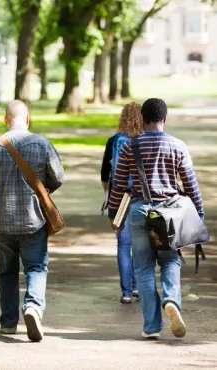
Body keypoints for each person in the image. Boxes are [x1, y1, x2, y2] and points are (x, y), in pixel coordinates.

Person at [0, 100, 64, 342]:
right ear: (27, 119)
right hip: (33, 219)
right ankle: (32, 307)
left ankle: (8, 323)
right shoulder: (42, 145)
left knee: (6, 272)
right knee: (36, 267)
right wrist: (43, 188)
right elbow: (58, 177)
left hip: (2, 222)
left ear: (5, 120)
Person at [108, 98, 205, 339]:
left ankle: (152, 326)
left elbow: (118, 185)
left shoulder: (130, 146)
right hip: (169, 215)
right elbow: (191, 186)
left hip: (140, 211)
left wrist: (114, 214)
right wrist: (199, 214)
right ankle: (171, 300)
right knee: (170, 260)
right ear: (165, 118)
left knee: (143, 268)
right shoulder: (177, 145)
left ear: (142, 119)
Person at [101, 102, 143, 304]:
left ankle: (126, 292)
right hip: (141, 198)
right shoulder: (146, 141)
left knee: (123, 245)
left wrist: (111, 198)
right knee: (141, 245)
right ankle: (137, 288)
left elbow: (104, 174)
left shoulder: (113, 142)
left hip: (120, 198)